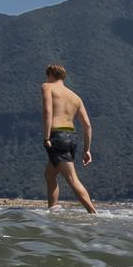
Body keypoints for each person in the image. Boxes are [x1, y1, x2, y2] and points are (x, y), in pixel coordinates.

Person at [40, 64, 97, 213]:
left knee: (72, 178)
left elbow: (47, 112)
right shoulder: (75, 97)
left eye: (47, 76)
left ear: (50, 75)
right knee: (49, 174)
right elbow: (87, 126)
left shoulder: (47, 87)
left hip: (57, 136)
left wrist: (46, 137)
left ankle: (93, 213)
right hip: (72, 138)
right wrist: (87, 150)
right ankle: (53, 210)